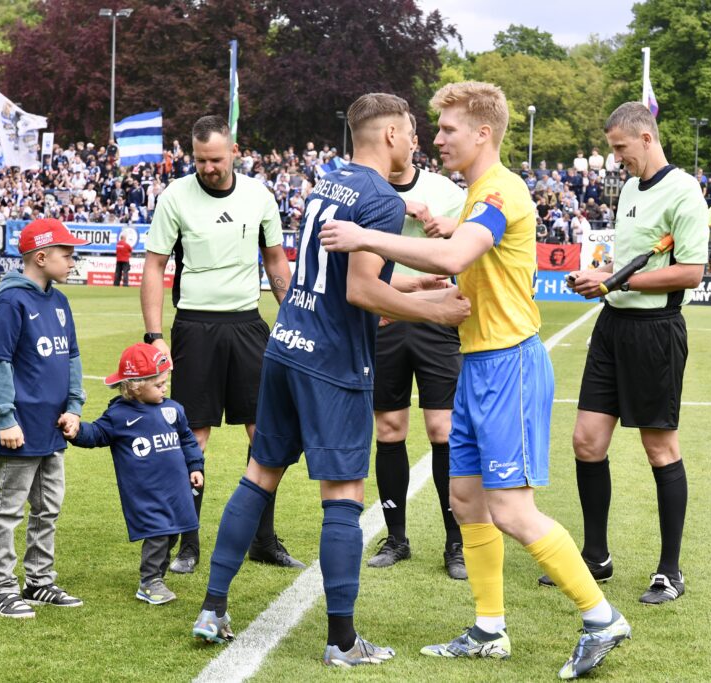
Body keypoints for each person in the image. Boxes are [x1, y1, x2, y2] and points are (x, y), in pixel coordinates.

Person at [319, 81, 630, 679]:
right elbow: (459, 255)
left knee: (511, 510)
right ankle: (489, 629)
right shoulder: (477, 194)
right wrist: (432, 235)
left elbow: (456, 260)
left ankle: (601, 618)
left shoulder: (500, 191)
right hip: (476, 365)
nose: (435, 139)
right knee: (466, 501)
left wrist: (364, 236)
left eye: (448, 129)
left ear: (482, 133)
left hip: (508, 364)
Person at [191, 93, 470, 668]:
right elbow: (360, 290)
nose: (417, 144)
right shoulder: (381, 198)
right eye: (413, 134)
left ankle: (213, 609)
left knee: (258, 476)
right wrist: (437, 311)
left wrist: (414, 291)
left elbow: (337, 278)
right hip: (333, 363)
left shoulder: (331, 181)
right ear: (391, 134)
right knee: (342, 496)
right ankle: (342, 642)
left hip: (287, 344)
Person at [141, 115, 302, 574]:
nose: (207, 168)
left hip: (248, 326)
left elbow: (275, 260)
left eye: (215, 159)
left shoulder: (258, 195)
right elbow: (154, 267)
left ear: (233, 152)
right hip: (195, 327)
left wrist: (290, 320)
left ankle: (263, 539)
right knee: (193, 437)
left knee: (265, 432)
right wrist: (154, 335)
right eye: (199, 160)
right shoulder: (175, 196)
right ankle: (188, 543)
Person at [564, 102, 708, 607]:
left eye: (620, 148)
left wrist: (619, 281)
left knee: (659, 449)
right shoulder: (628, 189)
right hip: (612, 327)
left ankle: (670, 571)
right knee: (586, 441)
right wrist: (600, 281)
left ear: (645, 138)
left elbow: (692, 270)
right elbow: (623, 267)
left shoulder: (684, 190)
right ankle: (595, 558)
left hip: (655, 331)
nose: (615, 158)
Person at [366, 114, 468, 580]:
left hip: (435, 320)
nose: (411, 142)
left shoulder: (447, 190)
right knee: (389, 429)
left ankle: (455, 543)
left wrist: (438, 225)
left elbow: (469, 244)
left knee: (441, 430)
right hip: (384, 319)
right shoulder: (365, 189)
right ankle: (397, 538)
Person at [0, 218, 89, 619]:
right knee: (9, 507)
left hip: (53, 424)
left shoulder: (59, 301)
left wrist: (75, 406)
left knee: (48, 506)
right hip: (20, 427)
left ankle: (39, 580)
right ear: (41, 257)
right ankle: (1, 586)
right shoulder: (11, 301)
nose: (72, 260)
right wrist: (5, 417)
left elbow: (72, 357)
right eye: (67, 253)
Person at [68, 343, 204, 606]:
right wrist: (75, 432)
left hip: (175, 488)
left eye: (166, 383)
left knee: (173, 531)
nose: (165, 388)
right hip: (146, 491)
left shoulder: (173, 409)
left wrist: (195, 466)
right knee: (158, 532)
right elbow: (97, 434)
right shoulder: (119, 415)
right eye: (159, 384)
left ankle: (158, 576)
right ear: (135, 387)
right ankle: (149, 581)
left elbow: (187, 439)